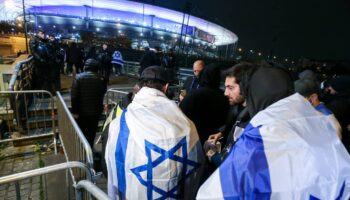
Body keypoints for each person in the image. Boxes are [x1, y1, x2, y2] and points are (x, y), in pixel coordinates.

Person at [197, 65, 350, 199]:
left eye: (231, 87)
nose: (225, 93)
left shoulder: (260, 134)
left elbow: (223, 190)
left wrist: (213, 156)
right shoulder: (318, 122)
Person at [105, 66, 204, 200]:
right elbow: (194, 172)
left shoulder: (118, 124)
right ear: (166, 87)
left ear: (140, 86)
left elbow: (111, 169)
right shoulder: (187, 126)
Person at [180, 63, 229, 145]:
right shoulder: (225, 97)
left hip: (192, 139)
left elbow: (180, 116)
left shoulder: (193, 95)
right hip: (214, 141)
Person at [71, 58, 107, 147]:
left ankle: (84, 152)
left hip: (81, 112)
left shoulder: (78, 78)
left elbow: (74, 96)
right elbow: (102, 92)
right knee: (92, 133)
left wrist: (75, 111)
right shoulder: (101, 79)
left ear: (85, 67)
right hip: (96, 112)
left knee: (82, 132)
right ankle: (90, 150)